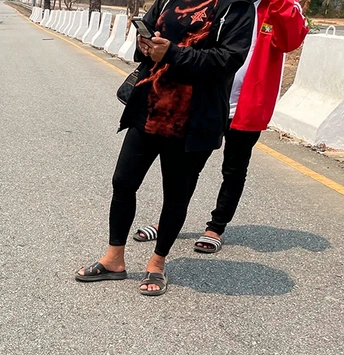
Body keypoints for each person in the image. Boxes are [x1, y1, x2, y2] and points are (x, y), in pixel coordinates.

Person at [75, 0, 255, 296]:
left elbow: (228, 59)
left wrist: (171, 53)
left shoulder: (236, 7)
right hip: (149, 107)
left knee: (175, 194)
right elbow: (147, 32)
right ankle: (114, 259)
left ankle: (157, 264)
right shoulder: (168, 0)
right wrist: (144, 44)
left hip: (192, 119)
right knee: (123, 183)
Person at [133, 0, 308, 254]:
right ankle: (166, 222)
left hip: (246, 104)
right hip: (205, 101)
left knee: (234, 168)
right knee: (187, 167)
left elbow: (291, 41)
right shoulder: (223, 3)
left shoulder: (279, 7)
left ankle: (216, 227)